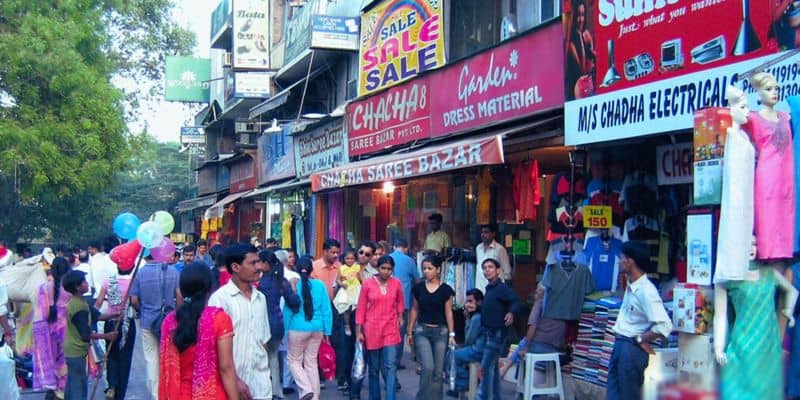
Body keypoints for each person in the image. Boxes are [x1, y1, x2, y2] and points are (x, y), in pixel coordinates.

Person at [158, 263, 239, 399]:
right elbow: (226, 368)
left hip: (178, 394)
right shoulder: (219, 319)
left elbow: (165, 366)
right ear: (209, 289)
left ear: (182, 290)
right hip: (212, 393)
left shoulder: (170, 321)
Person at [606, 242, 672, 400]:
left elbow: (665, 326)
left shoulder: (647, 291)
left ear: (630, 262)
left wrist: (641, 338)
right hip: (621, 345)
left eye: (622, 258)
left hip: (631, 348)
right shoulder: (632, 285)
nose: (619, 261)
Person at [209, 243, 272, 400]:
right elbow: (212, 347)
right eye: (252, 263)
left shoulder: (260, 298)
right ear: (236, 267)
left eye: (258, 262)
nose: (259, 267)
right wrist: (234, 380)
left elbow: (263, 340)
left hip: (260, 384)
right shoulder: (220, 299)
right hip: (230, 386)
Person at [455, 258, 523, 400]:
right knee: (493, 371)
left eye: (490, 267)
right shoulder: (489, 289)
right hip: (487, 334)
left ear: (498, 270)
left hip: (495, 335)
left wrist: (511, 313)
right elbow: (492, 308)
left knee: (486, 369)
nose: (487, 270)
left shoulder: (502, 288)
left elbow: (516, 301)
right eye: (485, 268)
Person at [130, 254, 181, 400]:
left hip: (148, 321)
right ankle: (171, 393)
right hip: (170, 321)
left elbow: (134, 300)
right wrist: (177, 315)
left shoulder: (139, 274)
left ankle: (156, 395)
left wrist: (143, 310)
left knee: (151, 359)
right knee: (170, 357)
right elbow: (179, 296)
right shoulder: (173, 272)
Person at [62, 270, 118, 400]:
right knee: (78, 387)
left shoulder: (81, 302)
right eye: (84, 282)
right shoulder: (78, 307)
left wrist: (115, 314)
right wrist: (107, 336)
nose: (87, 284)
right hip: (75, 352)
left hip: (73, 351)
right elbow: (85, 334)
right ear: (77, 287)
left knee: (73, 385)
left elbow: (98, 316)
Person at [355, 255, 404, 400]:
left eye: (389, 269)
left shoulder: (396, 283)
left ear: (392, 270)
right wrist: (359, 331)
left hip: (390, 328)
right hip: (372, 329)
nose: (386, 271)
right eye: (383, 268)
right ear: (378, 268)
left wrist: (400, 317)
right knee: (374, 369)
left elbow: (400, 302)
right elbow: (361, 308)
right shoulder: (368, 284)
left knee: (390, 366)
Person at [284, 256, 333, 400]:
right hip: (317, 328)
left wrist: (285, 330)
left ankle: (305, 390)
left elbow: (288, 310)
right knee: (311, 362)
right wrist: (327, 330)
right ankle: (315, 396)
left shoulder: (293, 285)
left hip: (297, 327)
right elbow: (326, 309)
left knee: (293, 360)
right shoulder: (320, 285)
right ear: (312, 269)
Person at [406, 255, 455, 400]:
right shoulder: (418, 288)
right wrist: (410, 331)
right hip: (422, 331)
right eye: (424, 269)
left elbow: (449, 311)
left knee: (438, 372)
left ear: (438, 270)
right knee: (427, 367)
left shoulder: (446, 290)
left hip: (441, 332)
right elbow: (414, 309)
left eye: (429, 268)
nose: (426, 271)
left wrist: (452, 334)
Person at [258, 249, 301, 400]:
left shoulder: (259, 283)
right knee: (273, 357)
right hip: (277, 323)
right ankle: (277, 391)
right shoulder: (281, 281)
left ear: (265, 264)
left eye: (259, 262)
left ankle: (265, 391)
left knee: (262, 359)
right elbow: (294, 301)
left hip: (261, 324)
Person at [500, 284, 567, 378]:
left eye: (537, 291)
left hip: (542, 349)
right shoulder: (561, 306)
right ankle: (507, 370)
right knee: (522, 347)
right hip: (556, 351)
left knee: (524, 343)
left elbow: (532, 327)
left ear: (541, 293)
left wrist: (526, 347)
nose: (535, 293)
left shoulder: (539, 303)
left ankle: (505, 369)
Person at [94, 266, 136, 400]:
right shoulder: (133, 282)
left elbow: (99, 301)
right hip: (127, 323)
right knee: (125, 358)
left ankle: (111, 385)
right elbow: (134, 302)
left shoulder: (109, 281)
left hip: (110, 322)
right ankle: (120, 394)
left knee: (111, 355)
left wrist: (92, 316)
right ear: (132, 267)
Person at [33, 256, 72, 398]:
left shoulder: (43, 288)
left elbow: (44, 312)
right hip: (67, 329)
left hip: (49, 329)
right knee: (65, 361)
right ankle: (61, 392)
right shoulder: (69, 288)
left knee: (53, 360)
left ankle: (54, 390)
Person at [390, 238, 420, 370]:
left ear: (394, 246)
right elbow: (418, 280)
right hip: (404, 302)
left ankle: (388, 359)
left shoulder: (387, 258)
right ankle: (396, 360)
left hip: (388, 301)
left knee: (389, 330)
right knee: (400, 332)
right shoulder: (409, 261)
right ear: (406, 248)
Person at [449, 289, 483, 398]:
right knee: (452, 352)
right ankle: (460, 383)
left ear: (479, 302)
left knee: (453, 355)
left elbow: (469, 339)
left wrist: (467, 319)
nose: (468, 305)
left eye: (471, 301)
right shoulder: (477, 316)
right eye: (467, 302)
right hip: (477, 348)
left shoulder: (476, 318)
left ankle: (463, 383)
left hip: (477, 350)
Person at [566, 0, 595, 99]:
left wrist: (590, 44)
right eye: (578, 15)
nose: (581, 19)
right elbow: (581, 72)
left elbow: (593, 56)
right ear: (574, 17)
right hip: (577, 94)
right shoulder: (571, 44)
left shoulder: (583, 36)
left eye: (583, 15)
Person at [475, 224, 512, 292]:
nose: (483, 235)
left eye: (486, 232)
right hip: (480, 288)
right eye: (482, 232)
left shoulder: (500, 249)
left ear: (493, 234)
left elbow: (507, 272)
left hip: (495, 289)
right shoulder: (478, 248)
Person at [335, 248, 361, 337]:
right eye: (347, 258)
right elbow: (337, 280)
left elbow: (360, 278)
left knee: (357, 308)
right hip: (346, 289)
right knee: (346, 308)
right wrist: (342, 284)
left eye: (352, 258)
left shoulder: (357, 267)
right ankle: (347, 325)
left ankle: (358, 326)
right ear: (344, 259)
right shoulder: (342, 268)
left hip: (356, 289)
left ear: (355, 259)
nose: (349, 260)